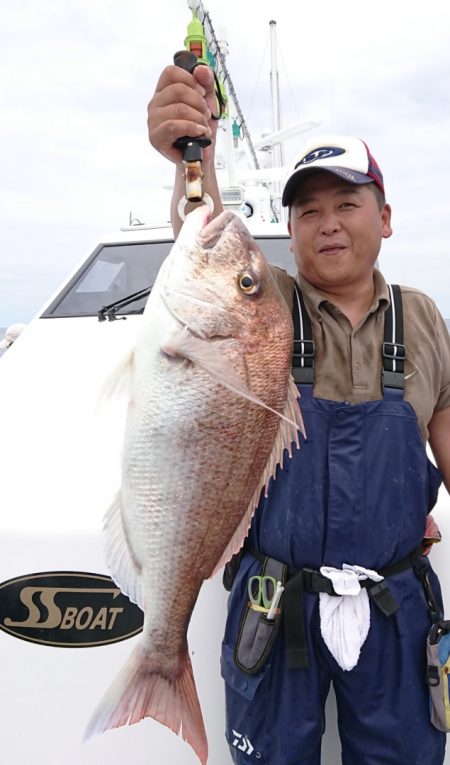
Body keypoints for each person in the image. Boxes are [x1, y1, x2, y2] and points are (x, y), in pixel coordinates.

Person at [147, 62, 450, 764]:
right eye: (308, 210)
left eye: (346, 202)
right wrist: (195, 153)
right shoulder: (264, 304)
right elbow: (207, 245)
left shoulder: (425, 318)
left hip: (395, 609)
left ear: (386, 215)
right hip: (273, 602)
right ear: (290, 228)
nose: (327, 223)